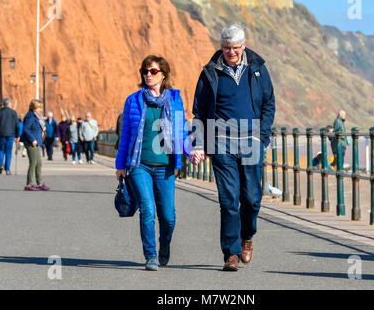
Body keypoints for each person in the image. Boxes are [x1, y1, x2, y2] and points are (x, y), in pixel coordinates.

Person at [191, 24, 275, 271]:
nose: (231, 52)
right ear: (221, 46)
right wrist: (199, 143)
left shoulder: (257, 69)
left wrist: (262, 136)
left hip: (251, 140)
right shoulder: (210, 73)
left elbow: (269, 103)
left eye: (235, 48)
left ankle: (247, 236)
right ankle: (231, 254)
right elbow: (199, 111)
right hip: (221, 142)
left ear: (243, 46)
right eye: (226, 48)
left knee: (251, 200)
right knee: (229, 200)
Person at [115, 55, 190, 271]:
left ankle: (164, 244)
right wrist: (120, 166)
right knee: (147, 209)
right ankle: (151, 255)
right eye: (145, 71)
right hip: (140, 164)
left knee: (168, 217)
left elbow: (181, 130)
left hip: (165, 166)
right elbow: (126, 135)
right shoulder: (134, 100)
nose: (148, 75)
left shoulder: (174, 99)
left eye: (153, 71)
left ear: (163, 74)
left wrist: (190, 151)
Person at [20, 99, 50, 191]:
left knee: (39, 163)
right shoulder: (30, 116)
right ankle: (28, 184)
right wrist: (32, 139)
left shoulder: (38, 116)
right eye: (39, 107)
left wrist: (43, 128)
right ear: (34, 107)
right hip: (31, 142)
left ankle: (39, 183)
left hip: (38, 141)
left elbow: (37, 126)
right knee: (33, 162)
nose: (41, 109)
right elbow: (26, 129)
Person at [0, 98, 20, 175]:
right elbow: (17, 125)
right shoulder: (13, 112)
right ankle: (7, 168)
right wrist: (17, 135)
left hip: (1, 134)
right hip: (11, 134)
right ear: (9, 104)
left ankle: (1, 164)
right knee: (8, 151)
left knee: (1, 149)